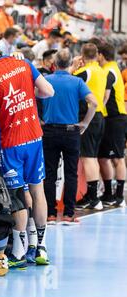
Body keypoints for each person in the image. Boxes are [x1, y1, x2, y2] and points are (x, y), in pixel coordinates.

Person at [0, 31, 54, 268]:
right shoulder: (24, 63)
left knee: (17, 196)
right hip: (34, 136)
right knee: (37, 190)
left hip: (10, 142)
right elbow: (48, 91)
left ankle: (18, 253)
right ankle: (40, 247)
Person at [40, 49, 98, 225]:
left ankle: (50, 213)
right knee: (70, 173)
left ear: (54, 64)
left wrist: (39, 119)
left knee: (49, 174)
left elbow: (31, 97)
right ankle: (68, 213)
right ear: (70, 63)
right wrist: (85, 123)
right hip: (71, 131)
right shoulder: (77, 82)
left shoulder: (46, 81)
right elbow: (94, 103)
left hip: (49, 131)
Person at [71, 43, 108, 210]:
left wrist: (74, 66)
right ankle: (93, 195)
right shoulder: (101, 70)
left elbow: (69, 79)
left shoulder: (87, 71)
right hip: (99, 115)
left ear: (82, 55)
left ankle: (93, 198)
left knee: (88, 157)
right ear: (97, 54)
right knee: (92, 156)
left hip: (89, 116)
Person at [96, 43, 126, 207]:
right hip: (112, 118)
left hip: (115, 118)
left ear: (101, 55)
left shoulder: (109, 71)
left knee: (117, 158)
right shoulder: (113, 68)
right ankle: (109, 193)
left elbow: (105, 98)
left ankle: (119, 195)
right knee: (104, 157)